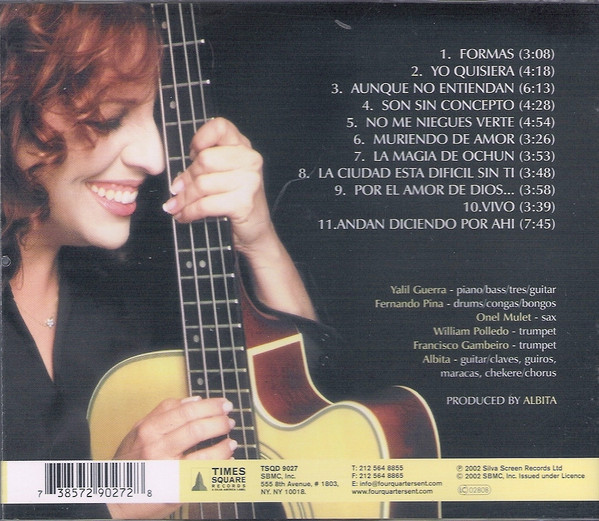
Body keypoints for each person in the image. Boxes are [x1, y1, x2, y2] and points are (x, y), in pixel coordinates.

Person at [1, 4, 334, 519]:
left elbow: (318, 414)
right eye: (112, 118)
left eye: (151, 117)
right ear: (12, 106)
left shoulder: (133, 286)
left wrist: (258, 240)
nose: (155, 158)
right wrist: (112, 500)